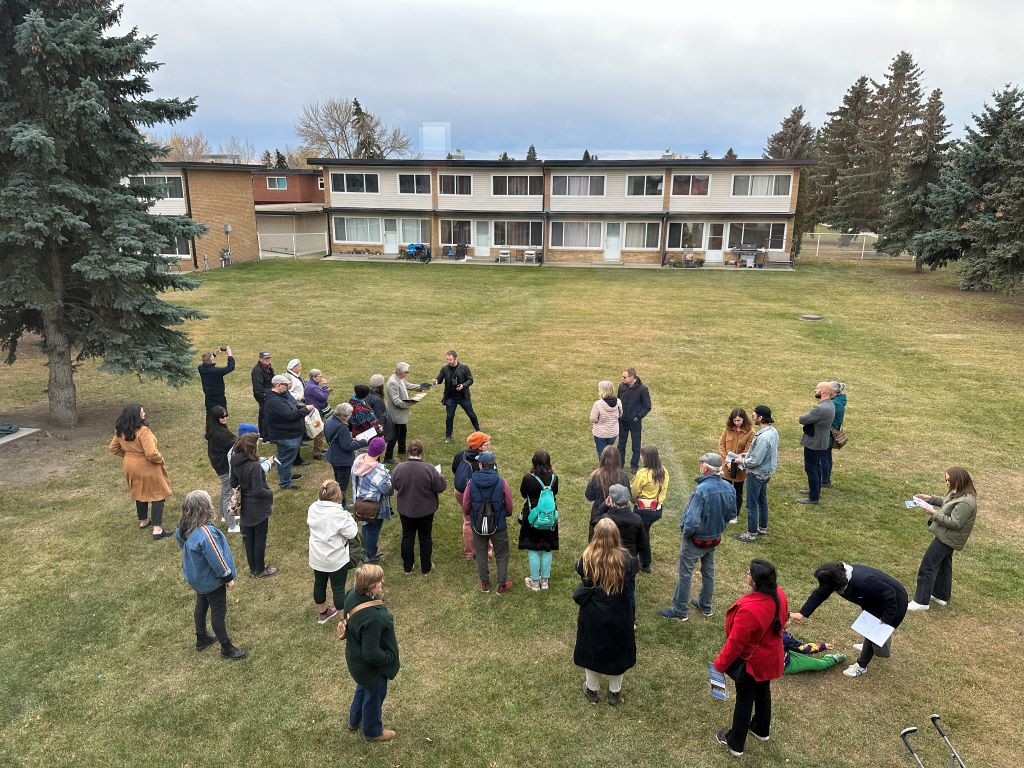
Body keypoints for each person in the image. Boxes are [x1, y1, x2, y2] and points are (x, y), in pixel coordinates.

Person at [712, 559, 787, 757]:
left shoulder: (748, 608)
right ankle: (761, 729)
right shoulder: (780, 595)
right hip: (772, 658)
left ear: (754, 581)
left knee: (745, 700)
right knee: (763, 691)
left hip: (752, 663)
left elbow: (736, 643)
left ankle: (735, 743)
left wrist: (719, 665)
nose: (746, 574)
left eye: (748, 572)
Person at [790, 562, 908, 678]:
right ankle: (871, 645)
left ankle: (861, 666)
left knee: (873, 634)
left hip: (894, 603)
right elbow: (820, 593)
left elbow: (889, 594)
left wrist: (887, 618)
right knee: (870, 629)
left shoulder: (863, 581)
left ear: (835, 583)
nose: (822, 586)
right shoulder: (837, 576)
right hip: (874, 601)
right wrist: (802, 613)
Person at [659, 452, 734, 621]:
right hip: (714, 539)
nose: (700, 466)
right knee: (709, 572)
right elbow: (731, 514)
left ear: (706, 468)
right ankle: (705, 606)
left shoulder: (701, 490)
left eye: (701, 464)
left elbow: (692, 521)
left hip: (696, 540)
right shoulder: (729, 487)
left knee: (685, 574)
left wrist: (686, 534)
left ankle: (680, 611)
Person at [174, 490, 246, 660]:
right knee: (218, 611)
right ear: (205, 507)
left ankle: (202, 638)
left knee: (201, 603)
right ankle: (226, 648)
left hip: (196, 577)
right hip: (211, 580)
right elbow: (216, 557)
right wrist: (227, 577)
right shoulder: (205, 532)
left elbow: (182, 545)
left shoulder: (182, 528)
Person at [573, 518, 638, 706]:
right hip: (620, 613)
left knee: (592, 648)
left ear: (596, 536)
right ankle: (614, 692)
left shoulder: (586, 558)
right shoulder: (627, 560)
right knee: (618, 651)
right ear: (616, 536)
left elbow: (581, 573)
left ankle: (592, 688)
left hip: (593, 613)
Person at [342, 564, 400, 742]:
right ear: (370, 587)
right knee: (374, 697)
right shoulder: (374, 617)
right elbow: (372, 654)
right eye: (378, 581)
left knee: (363, 688)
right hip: (371, 668)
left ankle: (354, 721)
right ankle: (372, 731)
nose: (382, 582)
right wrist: (389, 657)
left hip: (356, 660)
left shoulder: (352, 594)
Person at [907, 467, 977, 611]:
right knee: (944, 565)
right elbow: (947, 502)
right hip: (947, 537)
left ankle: (921, 601)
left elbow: (955, 523)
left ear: (958, 480)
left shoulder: (966, 502)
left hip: (947, 539)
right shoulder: (958, 492)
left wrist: (933, 513)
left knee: (928, 566)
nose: (946, 482)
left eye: (948, 480)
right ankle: (941, 596)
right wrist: (930, 499)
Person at [108, 404, 172, 539]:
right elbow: (152, 453)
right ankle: (157, 529)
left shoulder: (120, 429)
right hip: (146, 466)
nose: (144, 414)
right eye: (142, 412)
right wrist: (160, 459)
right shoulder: (144, 431)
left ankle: (143, 520)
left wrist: (128, 456)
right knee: (158, 494)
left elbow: (113, 448)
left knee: (139, 491)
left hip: (130, 466)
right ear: (136, 416)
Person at [461, 450, 514, 593]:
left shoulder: (471, 483)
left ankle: (485, 583)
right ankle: (502, 584)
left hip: (478, 525)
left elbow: (465, 505)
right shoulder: (502, 482)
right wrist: (506, 514)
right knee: (502, 554)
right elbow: (509, 504)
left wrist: (470, 515)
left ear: (481, 465)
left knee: (481, 552)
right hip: (498, 525)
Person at [392, 440, 447, 575]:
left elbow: (395, 485)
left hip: (406, 509)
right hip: (426, 511)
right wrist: (441, 477)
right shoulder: (429, 469)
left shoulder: (399, 468)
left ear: (408, 453)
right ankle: (426, 568)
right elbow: (440, 487)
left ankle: (408, 567)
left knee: (407, 536)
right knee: (425, 538)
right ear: (421, 453)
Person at [308, 479, 360, 624]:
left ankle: (323, 613)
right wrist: (350, 518)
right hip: (335, 558)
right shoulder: (339, 514)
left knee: (319, 583)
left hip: (317, 555)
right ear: (337, 496)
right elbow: (352, 533)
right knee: (338, 588)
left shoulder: (312, 507)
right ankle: (344, 620)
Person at [593, 484, 648, 619]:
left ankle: (608, 617)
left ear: (611, 500)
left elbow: (594, 520)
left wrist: (604, 506)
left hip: (609, 560)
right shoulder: (636, 519)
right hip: (630, 563)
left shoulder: (606, 519)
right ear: (628, 500)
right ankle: (631, 620)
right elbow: (643, 544)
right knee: (629, 594)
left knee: (607, 591)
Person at [230, 432, 277, 578]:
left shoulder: (234, 460)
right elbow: (258, 491)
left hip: (244, 507)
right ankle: (261, 570)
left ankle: (253, 569)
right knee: (260, 540)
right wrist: (270, 493)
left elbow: (233, 483)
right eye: (257, 444)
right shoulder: (254, 466)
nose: (258, 446)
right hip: (258, 508)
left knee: (249, 538)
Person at [735, 406, 779, 543]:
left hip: (756, 474)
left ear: (761, 418)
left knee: (752, 504)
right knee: (762, 500)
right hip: (767, 472)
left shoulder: (763, 437)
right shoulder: (773, 432)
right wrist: (747, 454)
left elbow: (755, 460)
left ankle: (751, 534)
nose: (752, 417)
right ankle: (762, 528)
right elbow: (760, 453)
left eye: (754, 415)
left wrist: (742, 460)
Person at [264, 374, 315, 490]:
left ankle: (287, 476)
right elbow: (290, 416)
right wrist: (305, 410)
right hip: (285, 436)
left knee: (286, 458)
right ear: (278, 385)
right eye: (286, 385)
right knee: (285, 460)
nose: (288, 387)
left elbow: (292, 406)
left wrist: (301, 407)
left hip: (289, 434)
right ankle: (285, 483)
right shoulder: (274, 401)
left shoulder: (281, 395)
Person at [518, 450, 559, 591]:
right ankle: (545, 581)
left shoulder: (528, 478)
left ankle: (535, 583)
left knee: (534, 550)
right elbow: (555, 493)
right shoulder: (554, 478)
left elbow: (523, 493)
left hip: (533, 517)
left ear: (534, 463)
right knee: (547, 549)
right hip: (550, 516)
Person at [351, 437, 394, 564]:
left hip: (359, 503)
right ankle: (370, 556)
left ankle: (364, 550)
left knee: (365, 527)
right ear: (381, 452)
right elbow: (387, 490)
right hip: (373, 507)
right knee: (373, 531)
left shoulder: (358, 461)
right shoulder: (378, 471)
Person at [452, 431, 492, 560]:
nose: (489, 446)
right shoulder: (483, 461)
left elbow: (454, 468)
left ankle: (469, 553)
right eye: (486, 444)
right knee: (484, 520)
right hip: (475, 494)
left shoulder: (460, 454)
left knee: (467, 520)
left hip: (459, 492)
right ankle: (487, 551)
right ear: (479, 447)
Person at [630, 445, 669, 572]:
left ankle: (643, 562)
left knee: (641, 535)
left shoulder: (642, 474)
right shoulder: (663, 471)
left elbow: (634, 491)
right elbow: (664, 490)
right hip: (656, 509)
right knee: (644, 533)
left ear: (646, 458)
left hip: (642, 511)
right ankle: (642, 561)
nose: (640, 458)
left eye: (642, 456)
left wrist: (633, 500)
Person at [796, 381, 835, 504]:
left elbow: (802, 419)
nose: (815, 390)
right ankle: (815, 491)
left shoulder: (820, 408)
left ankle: (813, 497)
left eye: (817, 388)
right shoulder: (830, 405)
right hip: (821, 441)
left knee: (811, 468)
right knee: (816, 467)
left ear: (823, 391)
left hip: (814, 442)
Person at [324, 403, 368, 506]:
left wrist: (350, 439)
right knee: (342, 486)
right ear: (344, 416)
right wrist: (363, 442)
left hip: (334, 456)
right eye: (350, 414)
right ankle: (341, 506)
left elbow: (334, 438)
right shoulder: (342, 427)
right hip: (342, 460)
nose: (351, 416)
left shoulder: (329, 419)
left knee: (337, 482)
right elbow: (347, 447)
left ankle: (336, 502)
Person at [432, 350, 480, 444]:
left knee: (471, 414)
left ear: (455, 358)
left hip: (463, 397)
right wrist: (436, 381)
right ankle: (448, 436)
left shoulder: (464, 368)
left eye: (450, 360)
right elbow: (440, 379)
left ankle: (478, 430)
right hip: (450, 398)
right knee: (449, 417)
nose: (448, 362)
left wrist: (463, 386)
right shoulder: (444, 368)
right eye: (447, 360)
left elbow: (470, 380)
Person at [204, 405, 239, 532]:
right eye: (222, 417)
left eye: (226, 415)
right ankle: (232, 525)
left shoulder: (217, 429)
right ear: (215, 418)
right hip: (224, 466)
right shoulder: (219, 434)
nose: (225, 418)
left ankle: (224, 515)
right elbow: (235, 444)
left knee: (225, 490)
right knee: (229, 494)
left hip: (221, 464)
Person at [719, 408, 755, 522]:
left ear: (744, 419)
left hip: (740, 466)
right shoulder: (728, 429)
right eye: (734, 420)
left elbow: (748, 450)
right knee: (725, 489)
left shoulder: (751, 432)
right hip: (727, 466)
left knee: (737, 491)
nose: (736, 423)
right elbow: (721, 445)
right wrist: (727, 462)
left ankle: (734, 514)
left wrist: (737, 461)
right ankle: (724, 511)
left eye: (738, 420)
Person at [585, 445, 630, 536]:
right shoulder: (623, 476)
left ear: (603, 458)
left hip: (598, 514)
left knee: (596, 541)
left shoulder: (596, 475)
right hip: (618, 514)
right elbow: (628, 496)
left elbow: (589, 496)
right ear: (618, 459)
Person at [384, 362, 423, 463]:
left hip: (400, 414)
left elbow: (407, 385)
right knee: (394, 436)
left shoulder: (399, 379)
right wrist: (410, 403)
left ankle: (401, 450)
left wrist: (421, 387)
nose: (408, 373)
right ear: (401, 372)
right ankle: (388, 457)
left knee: (403, 431)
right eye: (407, 372)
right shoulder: (393, 382)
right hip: (395, 414)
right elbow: (396, 401)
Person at [617, 367, 651, 472]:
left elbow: (647, 406)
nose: (623, 378)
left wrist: (638, 417)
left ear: (632, 377)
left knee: (636, 446)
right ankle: (620, 465)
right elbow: (618, 401)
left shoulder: (642, 389)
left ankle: (634, 466)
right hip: (623, 421)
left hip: (634, 422)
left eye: (625, 377)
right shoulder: (622, 386)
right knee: (621, 444)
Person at [782, 630, 846, 675]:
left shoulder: (774, 630)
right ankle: (832, 658)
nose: (791, 621)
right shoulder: (784, 637)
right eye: (788, 620)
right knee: (819, 664)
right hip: (784, 665)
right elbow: (803, 648)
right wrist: (822, 646)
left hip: (781, 654)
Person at [822, 381, 847, 488]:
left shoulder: (834, 403)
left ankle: (824, 481)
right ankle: (826, 480)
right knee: (827, 456)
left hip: (828, 433)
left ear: (833, 391)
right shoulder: (838, 401)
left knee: (823, 457)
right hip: (831, 433)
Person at [589, 380, 621, 460]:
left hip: (600, 433)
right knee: (609, 453)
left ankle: (603, 471)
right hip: (613, 432)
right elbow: (620, 414)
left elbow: (593, 418)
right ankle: (610, 469)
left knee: (602, 454)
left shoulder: (598, 404)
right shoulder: (618, 401)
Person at [197, 346, 235, 413]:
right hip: (219, 398)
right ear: (212, 360)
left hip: (208, 398)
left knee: (210, 415)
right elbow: (230, 367)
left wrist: (215, 353)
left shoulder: (200, 368)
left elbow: (207, 363)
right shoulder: (216, 371)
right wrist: (229, 354)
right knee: (221, 414)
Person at [304, 368, 331, 459]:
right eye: (320, 376)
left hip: (316, 410)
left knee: (320, 430)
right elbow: (323, 397)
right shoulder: (313, 387)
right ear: (314, 377)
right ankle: (317, 453)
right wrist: (325, 387)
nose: (322, 378)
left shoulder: (312, 384)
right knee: (319, 431)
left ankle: (319, 448)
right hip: (316, 412)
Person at [250, 351, 274, 439]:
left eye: (268, 358)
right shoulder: (257, 371)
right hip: (263, 396)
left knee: (266, 413)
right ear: (260, 359)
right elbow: (258, 389)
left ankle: (267, 433)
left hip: (269, 394)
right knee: (265, 414)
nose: (267, 360)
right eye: (265, 358)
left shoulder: (269, 367)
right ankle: (264, 436)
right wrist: (266, 397)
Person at [366, 374, 394, 446]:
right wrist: (382, 433)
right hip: (374, 431)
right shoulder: (377, 400)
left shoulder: (367, 393)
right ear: (381, 386)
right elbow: (379, 418)